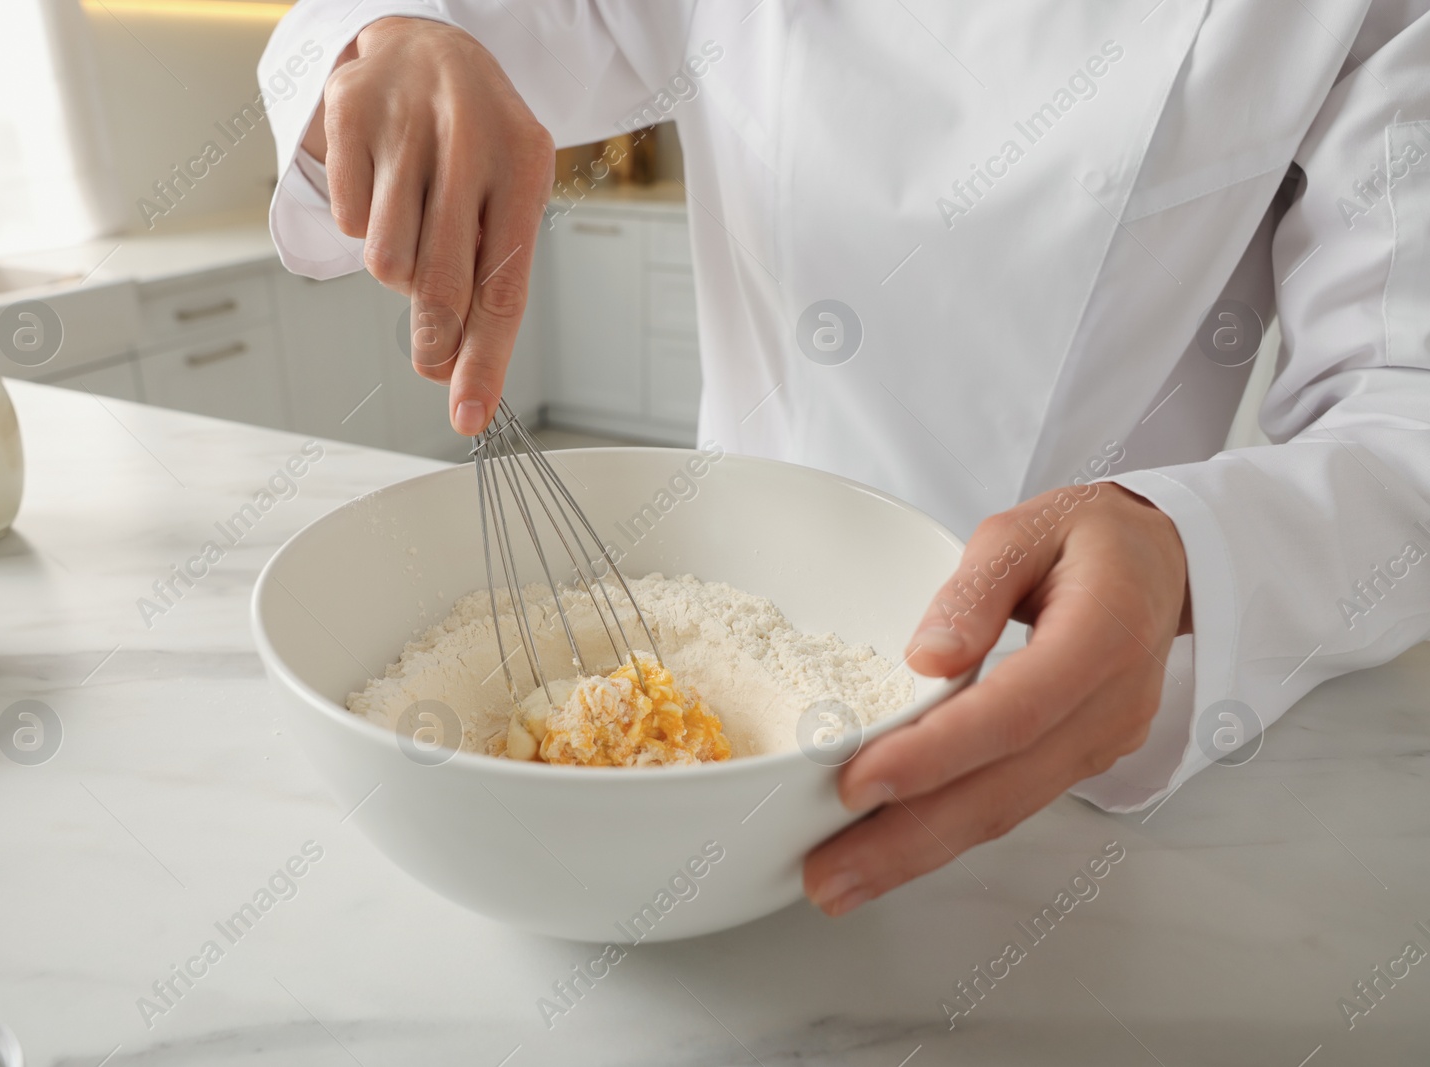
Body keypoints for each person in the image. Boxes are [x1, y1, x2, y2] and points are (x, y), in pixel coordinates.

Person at [259, 1, 1430, 917]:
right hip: (739, 629)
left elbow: (1405, 406)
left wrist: (1185, 546)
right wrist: (391, 44)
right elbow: (429, 22)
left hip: (1077, 720)